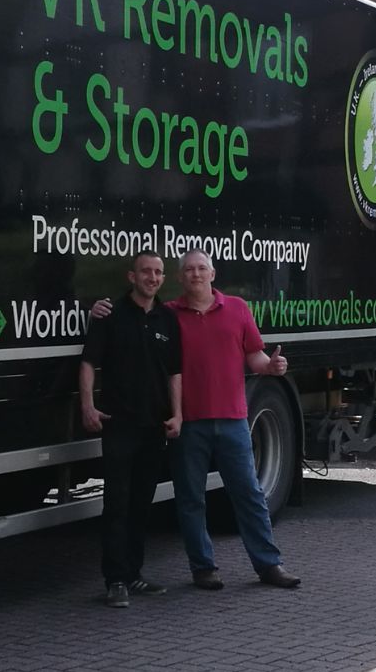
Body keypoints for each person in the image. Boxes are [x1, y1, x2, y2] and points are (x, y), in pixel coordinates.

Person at [93, 249, 300, 590]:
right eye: (188, 269)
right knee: (191, 498)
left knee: (248, 493)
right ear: (180, 278)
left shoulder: (237, 309)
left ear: (213, 273)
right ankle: (203, 567)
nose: (196, 274)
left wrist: (273, 367)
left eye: (201, 268)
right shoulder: (169, 314)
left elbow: (255, 357)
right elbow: (133, 311)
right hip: (189, 424)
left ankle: (269, 565)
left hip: (233, 420)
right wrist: (99, 309)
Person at [80, 251, 182, 609]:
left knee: (141, 504)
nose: (152, 277)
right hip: (119, 425)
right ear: (131, 276)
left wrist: (178, 415)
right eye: (145, 272)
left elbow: (174, 373)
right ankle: (115, 580)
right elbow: (89, 362)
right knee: (117, 504)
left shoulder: (167, 318)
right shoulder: (110, 315)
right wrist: (88, 404)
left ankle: (135, 574)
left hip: (154, 426)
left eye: (158, 272)